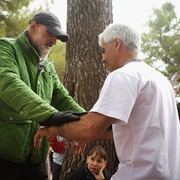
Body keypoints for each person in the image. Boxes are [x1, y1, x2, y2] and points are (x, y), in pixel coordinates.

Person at [34, 23, 180, 179]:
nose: (103, 59)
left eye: (103, 51)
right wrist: (90, 135)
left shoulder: (123, 75)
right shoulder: (161, 80)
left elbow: (90, 127)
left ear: (117, 43)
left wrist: (53, 129)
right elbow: (138, 131)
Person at [0, 11, 86, 180]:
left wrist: (88, 122)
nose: (54, 41)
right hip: (4, 160)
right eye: (50, 34)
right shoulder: (6, 48)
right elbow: (8, 83)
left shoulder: (48, 67)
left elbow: (63, 99)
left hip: (37, 162)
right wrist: (50, 116)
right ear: (33, 27)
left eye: (57, 37)